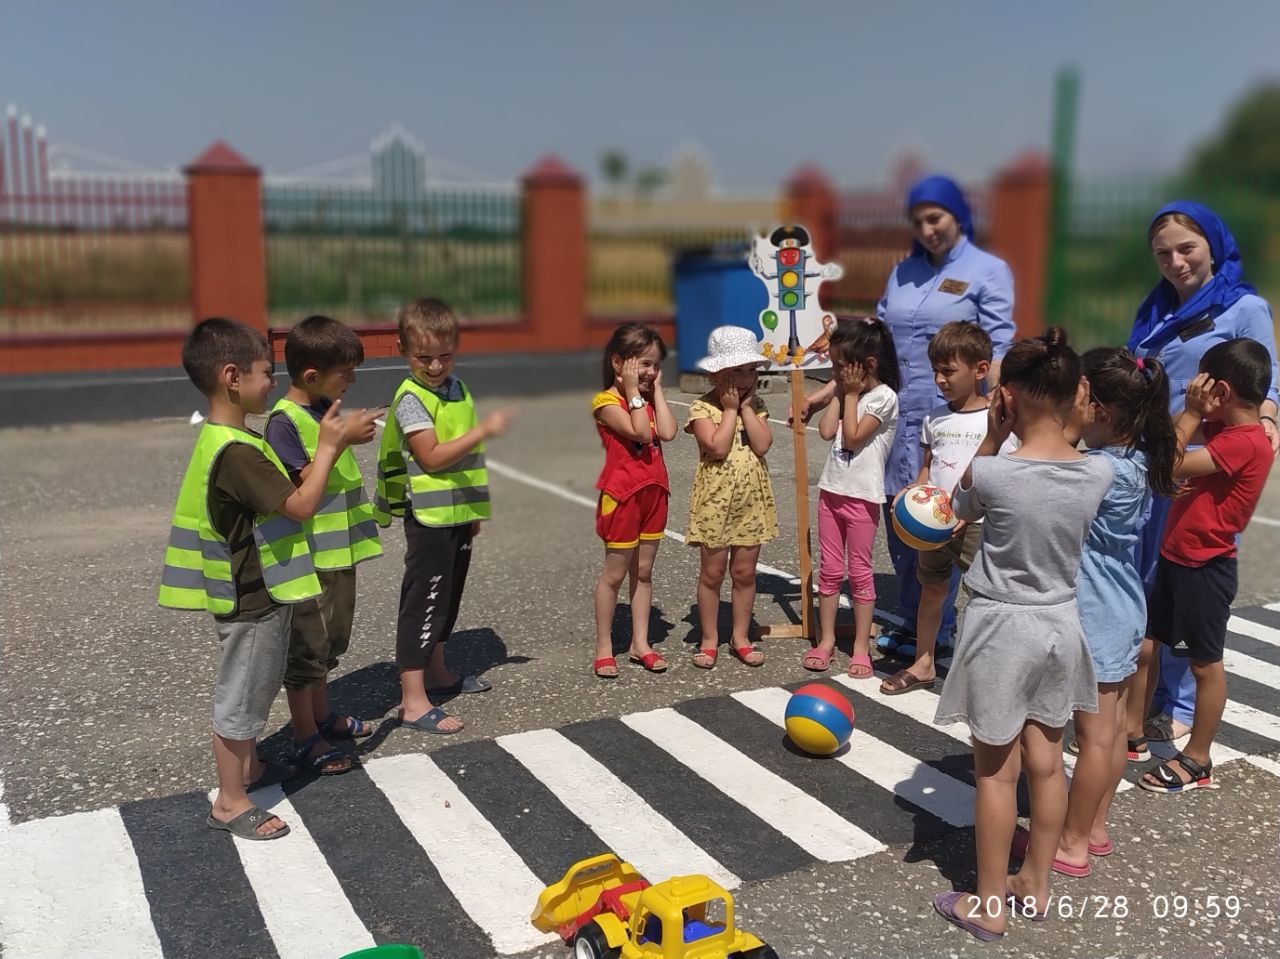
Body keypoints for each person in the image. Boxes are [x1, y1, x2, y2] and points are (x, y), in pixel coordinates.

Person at [932, 328, 1112, 941]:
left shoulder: (994, 473)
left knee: (995, 773)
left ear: (1005, 395)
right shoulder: (1097, 474)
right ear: (1074, 392)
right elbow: (1069, 445)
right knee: (1047, 762)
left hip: (1002, 627)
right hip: (1061, 623)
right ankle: (1035, 882)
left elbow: (956, 510)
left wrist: (992, 435)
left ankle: (988, 905)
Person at [159, 317, 360, 840]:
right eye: (265, 372)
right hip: (251, 598)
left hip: (259, 592)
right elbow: (301, 505)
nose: (273, 382)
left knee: (256, 687)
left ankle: (248, 771)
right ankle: (230, 801)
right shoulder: (237, 452)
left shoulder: (230, 439)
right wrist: (330, 446)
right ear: (232, 377)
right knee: (243, 697)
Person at [798, 175, 1014, 657]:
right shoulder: (903, 272)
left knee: (948, 518)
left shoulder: (988, 271)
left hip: (952, 418)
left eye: (935, 218)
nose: (927, 229)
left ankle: (944, 627)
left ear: (959, 215)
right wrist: (830, 390)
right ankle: (918, 620)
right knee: (901, 515)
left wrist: (1000, 413)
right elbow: (875, 345)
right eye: (918, 222)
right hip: (895, 415)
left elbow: (999, 347)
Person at [1124, 202, 1279, 758]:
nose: (1176, 262)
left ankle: (1181, 704)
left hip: (1198, 463)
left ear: (1213, 245)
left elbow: (1268, 380)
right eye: (1163, 253)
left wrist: (1266, 421)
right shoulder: (1155, 308)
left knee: (1189, 582)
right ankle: (1138, 698)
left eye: (1187, 248)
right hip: (1148, 455)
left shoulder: (1244, 307)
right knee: (1148, 582)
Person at [1016, 348, 1179, 876]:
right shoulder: (1140, 459)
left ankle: (1071, 843)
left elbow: (1040, 474)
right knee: (1107, 735)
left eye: (1075, 398)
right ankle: (1094, 827)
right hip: (1123, 601)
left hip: (1092, 606)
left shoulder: (1096, 468)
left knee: (1089, 738)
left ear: (1098, 409)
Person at [1138, 339, 1273, 793]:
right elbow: (1171, 442)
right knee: (1148, 644)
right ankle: (1133, 729)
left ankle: (1198, 758)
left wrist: (1194, 412)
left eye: (1201, 382)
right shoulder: (1226, 430)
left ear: (1222, 390)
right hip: (1176, 557)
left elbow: (1170, 463)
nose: (1193, 389)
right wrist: (1195, 415)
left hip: (1206, 569)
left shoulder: (1245, 441)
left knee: (1204, 665)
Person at [374, 298, 512, 734]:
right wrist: (483, 430)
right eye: (423, 358)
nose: (435, 367)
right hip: (428, 517)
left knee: (448, 595)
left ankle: (437, 671)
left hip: (456, 512)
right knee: (424, 599)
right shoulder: (411, 398)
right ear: (401, 350)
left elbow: (466, 460)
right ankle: (412, 700)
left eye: (444, 356)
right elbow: (431, 457)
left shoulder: (456, 388)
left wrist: (473, 512)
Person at [264, 315, 383, 776]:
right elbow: (300, 485)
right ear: (311, 376)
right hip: (307, 560)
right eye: (344, 373)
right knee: (306, 649)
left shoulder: (323, 409)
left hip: (337, 554)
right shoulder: (284, 422)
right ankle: (303, 735)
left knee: (330, 641)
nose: (351, 380)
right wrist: (342, 441)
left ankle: (321, 713)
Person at [880, 322, 990, 695]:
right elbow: (929, 469)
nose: (940, 379)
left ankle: (985, 673)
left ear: (980, 369)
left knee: (985, 598)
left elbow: (998, 474)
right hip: (935, 523)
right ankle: (923, 664)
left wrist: (971, 512)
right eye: (936, 371)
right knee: (932, 590)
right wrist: (914, 489)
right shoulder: (935, 418)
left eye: (949, 371)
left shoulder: (995, 420)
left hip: (977, 523)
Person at [801, 320, 899, 677]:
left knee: (859, 572)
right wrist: (841, 392)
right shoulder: (847, 393)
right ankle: (826, 639)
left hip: (862, 497)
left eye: (841, 365)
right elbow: (828, 431)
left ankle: (860, 647)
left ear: (868, 365)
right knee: (829, 569)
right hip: (832, 491)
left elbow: (854, 438)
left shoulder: (885, 397)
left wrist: (852, 395)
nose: (835, 371)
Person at [590, 322, 678, 678]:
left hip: (654, 494)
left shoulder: (648, 399)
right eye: (643, 364)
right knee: (614, 575)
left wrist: (657, 391)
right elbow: (640, 432)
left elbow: (667, 432)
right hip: (622, 497)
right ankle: (604, 646)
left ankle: (640, 643)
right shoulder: (606, 403)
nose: (650, 372)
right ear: (618, 362)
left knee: (643, 573)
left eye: (656, 365)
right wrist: (631, 390)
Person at [686, 326, 777, 669]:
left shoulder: (757, 405)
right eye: (737, 370)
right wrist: (729, 410)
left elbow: (763, 445)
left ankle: (741, 636)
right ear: (716, 373)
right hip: (715, 501)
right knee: (712, 574)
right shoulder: (702, 408)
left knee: (744, 573)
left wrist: (747, 409)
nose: (745, 378)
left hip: (751, 501)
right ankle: (709, 638)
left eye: (751, 370)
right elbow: (718, 447)